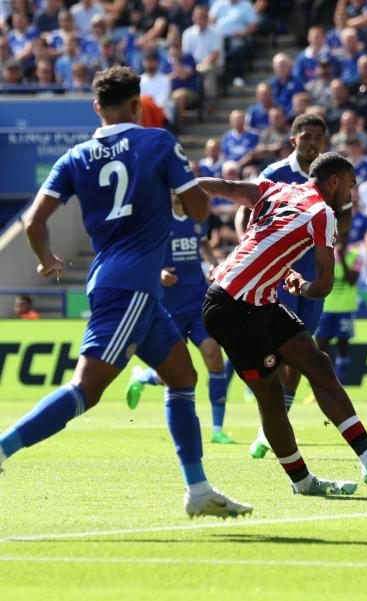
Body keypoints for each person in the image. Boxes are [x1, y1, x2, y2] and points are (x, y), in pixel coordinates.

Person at [3, 67, 250, 518]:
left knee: (183, 376)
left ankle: (197, 489)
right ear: (138, 105)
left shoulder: (75, 157)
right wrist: (180, 186)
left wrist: (46, 260)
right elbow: (197, 211)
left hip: (125, 285)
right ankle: (1, 450)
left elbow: (34, 222)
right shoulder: (157, 142)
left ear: (96, 107)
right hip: (132, 286)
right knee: (86, 390)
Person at [197, 152, 367, 493]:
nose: (351, 194)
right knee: (270, 393)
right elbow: (325, 285)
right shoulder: (322, 213)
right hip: (232, 307)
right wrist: (304, 286)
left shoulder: (279, 189)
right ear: (334, 181)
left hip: (257, 300)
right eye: (350, 186)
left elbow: (227, 187)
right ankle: (303, 482)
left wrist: (185, 187)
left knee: (317, 363)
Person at [245, 113, 328, 460]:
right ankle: (270, 424)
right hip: (280, 278)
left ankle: (274, 425)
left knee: (302, 353)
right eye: (306, 136)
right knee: (281, 352)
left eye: (317, 138)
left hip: (312, 278)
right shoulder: (275, 174)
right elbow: (249, 211)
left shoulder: (331, 177)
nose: (312, 143)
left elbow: (345, 215)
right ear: (293, 140)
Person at [124, 194, 235, 445]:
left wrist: (216, 265)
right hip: (169, 306)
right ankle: (143, 377)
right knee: (175, 372)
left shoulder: (198, 217)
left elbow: (203, 244)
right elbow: (144, 254)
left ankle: (217, 429)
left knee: (214, 356)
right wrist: (160, 272)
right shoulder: (159, 220)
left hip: (197, 302)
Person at [315, 238, 363, 382]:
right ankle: (321, 381)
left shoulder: (356, 255)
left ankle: (340, 381)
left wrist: (342, 258)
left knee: (343, 346)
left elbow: (351, 280)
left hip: (345, 308)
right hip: (326, 307)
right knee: (321, 345)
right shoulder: (325, 254)